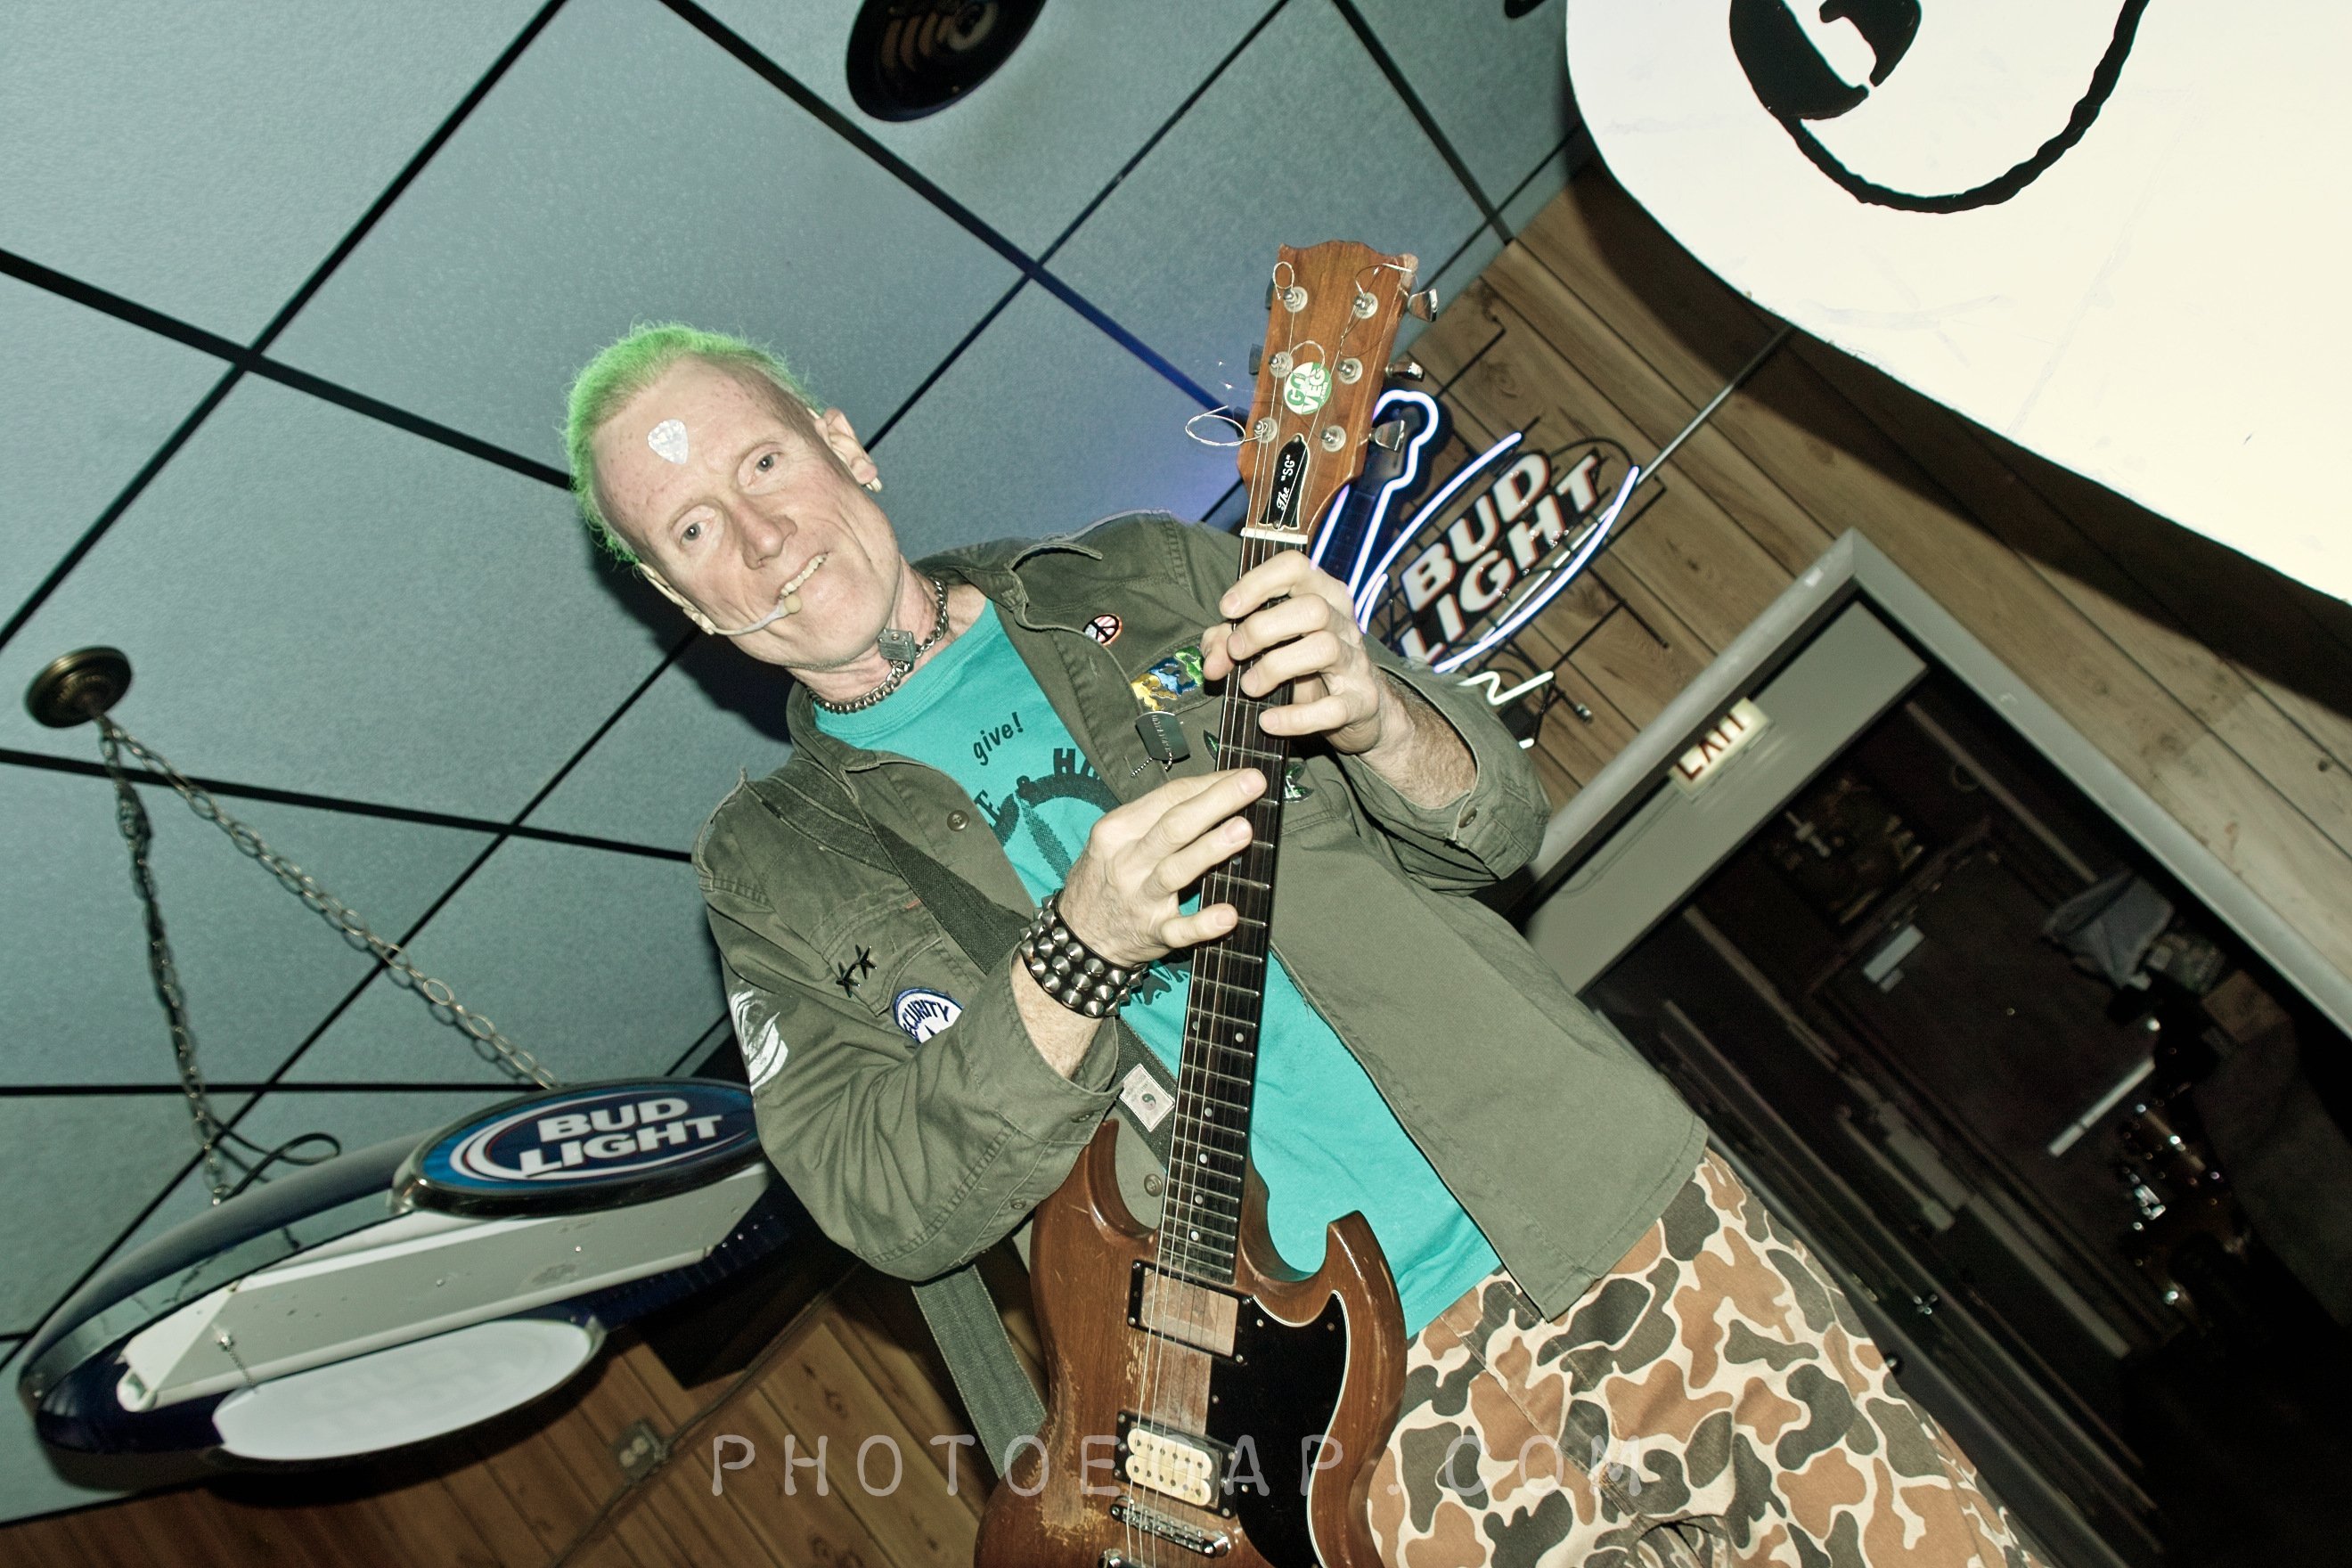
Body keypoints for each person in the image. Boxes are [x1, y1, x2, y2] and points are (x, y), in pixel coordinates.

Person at [563, 323, 2043, 1567]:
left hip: (1614, 1219)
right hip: (1350, 1424)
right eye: (693, 530)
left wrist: (1386, 715)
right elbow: (885, 1208)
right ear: (680, 599)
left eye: (764, 465)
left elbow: (1495, 823)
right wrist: (1075, 956)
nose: (760, 536)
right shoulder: (774, 870)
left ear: (842, 447)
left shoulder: (1143, 572)